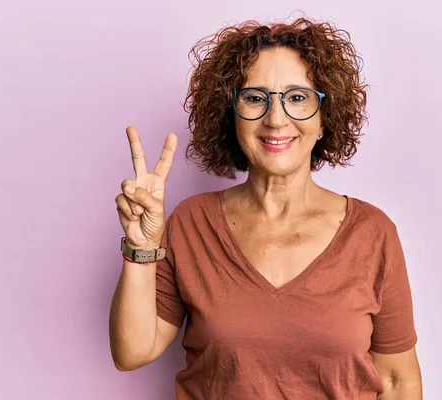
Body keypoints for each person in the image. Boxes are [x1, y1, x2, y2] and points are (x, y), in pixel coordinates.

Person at [110, 17, 422, 399]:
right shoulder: (191, 223)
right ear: (232, 115)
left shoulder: (372, 232)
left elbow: (396, 380)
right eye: (255, 98)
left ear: (325, 118)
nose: (276, 119)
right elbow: (132, 352)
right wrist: (140, 248)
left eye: (297, 98)